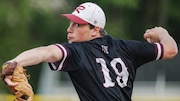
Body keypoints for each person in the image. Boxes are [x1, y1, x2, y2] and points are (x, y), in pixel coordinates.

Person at [1, 2, 178, 101]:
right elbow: (170, 50)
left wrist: (15, 62)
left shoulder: (78, 51)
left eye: (77, 24)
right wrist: (163, 33)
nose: (69, 29)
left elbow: (46, 52)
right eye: (70, 23)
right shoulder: (128, 48)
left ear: (95, 29)